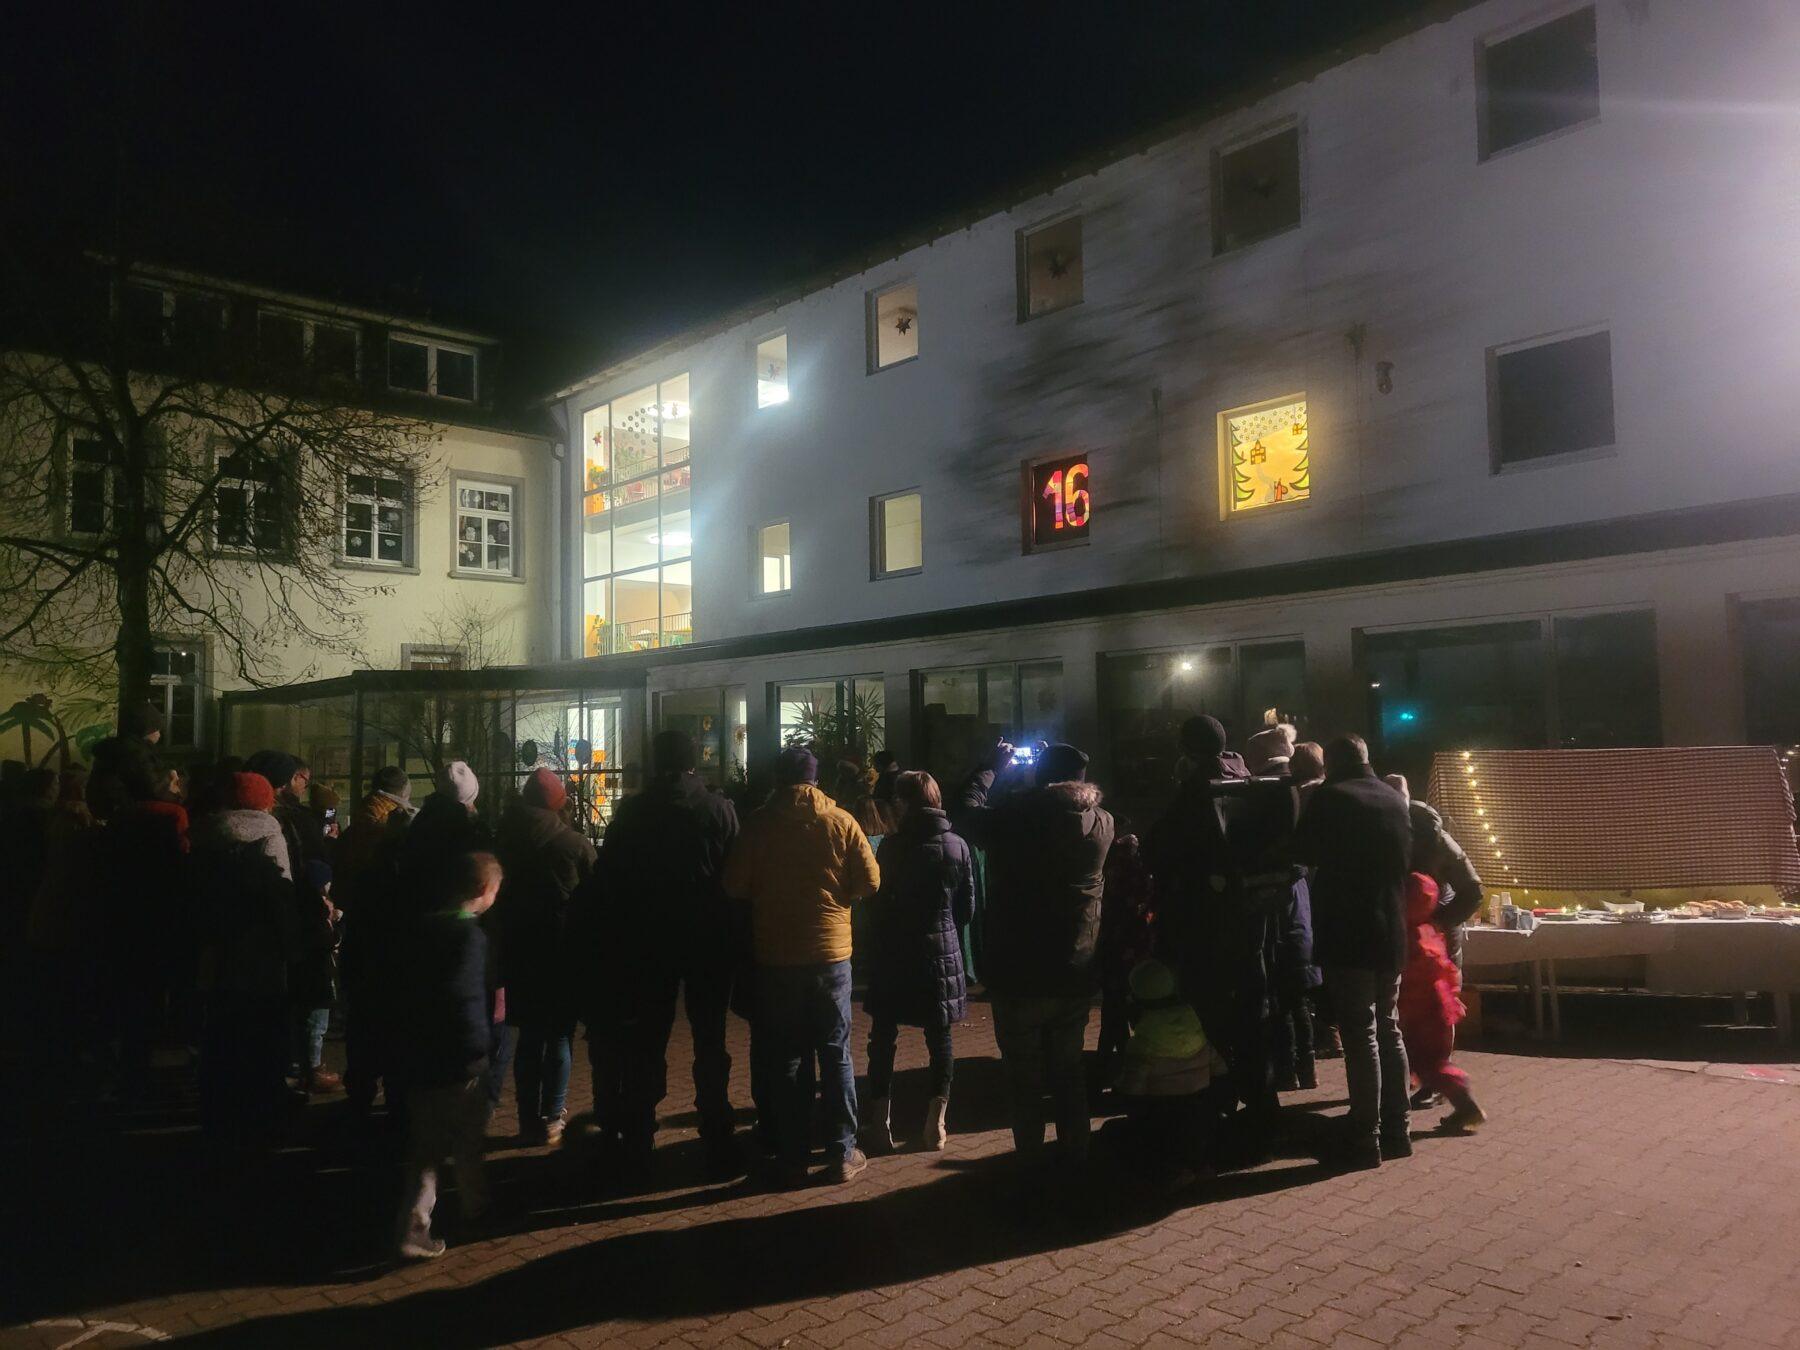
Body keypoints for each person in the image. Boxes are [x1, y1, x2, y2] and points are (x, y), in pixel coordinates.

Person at [580, 729, 740, 1175]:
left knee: (647, 1038)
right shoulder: (718, 810)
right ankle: (715, 1121)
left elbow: (610, 879)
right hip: (707, 943)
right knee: (711, 1036)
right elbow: (736, 875)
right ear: (695, 762)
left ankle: (641, 1126)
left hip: (648, 943)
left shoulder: (632, 813)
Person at [952, 741, 1113, 1169]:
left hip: (1018, 968)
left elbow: (964, 812)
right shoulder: (1102, 823)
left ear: (1042, 778)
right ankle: (1077, 1154)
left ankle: (1029, 1161)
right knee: (1068, 1070)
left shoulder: (1016, 819)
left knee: (1023, 1075)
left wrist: (992, 768)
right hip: (1075, 966)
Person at [722, 746, 879, 1186]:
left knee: (787, 1057)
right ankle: (842, 1151)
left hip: (776, 957)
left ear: (778, 778)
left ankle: (791, 1153)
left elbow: (734, 884)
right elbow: (870, 881)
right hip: (831, 956)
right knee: (836, 1053)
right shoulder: (841, 821)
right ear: (815, 779)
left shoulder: (758, 825)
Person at [1292, 734, 1413, 1170]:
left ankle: (1366, 1136)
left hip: (1349, 932)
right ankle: (1398, 1129)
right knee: (1389, 1028)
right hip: (1391, 931)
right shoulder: (1393, 797)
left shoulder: (1332, 798)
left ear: (1336, 764)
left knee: (1360, 1034)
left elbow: (1301, 851)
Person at [393, 850, 503, 1261]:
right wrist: (479, 1047)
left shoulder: (422, 928)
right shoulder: (471, 936)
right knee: (469, 1139)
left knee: (425, 1146)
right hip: (459, 1058)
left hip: (421, 1055)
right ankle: (478, 1206)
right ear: (483, 891)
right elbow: (466, 996)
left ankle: (413, 1224)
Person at [861, 770, 972, 1154]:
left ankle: (880, 1124)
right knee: (939, 1039)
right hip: (941, 951)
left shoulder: (892, 848)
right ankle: (935, 1127)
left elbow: (877, 903)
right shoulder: (958, 845)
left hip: (895, 952)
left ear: (906, 803)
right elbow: (966, 909)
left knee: (883, 1038)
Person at [190, 772, 300, 1141]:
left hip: (218, 946)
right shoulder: (269, 834)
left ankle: (218, 1104)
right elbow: (281, 892)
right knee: (264, 1027)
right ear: (266, 800)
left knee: (221, 1027)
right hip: (261, 946)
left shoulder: (207, 833)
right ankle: (262, 1105)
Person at [496, 767, 595, 1146]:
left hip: (519, 950)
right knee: (558, 1037)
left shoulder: (504, 840)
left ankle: (525, 1117)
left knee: (529, 1037)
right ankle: (553, 1115)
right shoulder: (572, 843)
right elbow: (596, 895)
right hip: (561, 952)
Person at [338, 765, 417, 1116]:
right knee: (395, 1020)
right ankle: (396, 1093)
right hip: (391, 943)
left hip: (360, 937)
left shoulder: (358, 827)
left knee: (362, 1020)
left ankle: (360, 1089)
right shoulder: (390, 839)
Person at [1109, 956, 1230, 1186]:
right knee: (1193, 1132)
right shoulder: (1193, 1023)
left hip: (1163, 1112)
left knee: (1144, 1132)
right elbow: (1219, 1066)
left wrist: (1120, 1095)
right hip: (1201, 1109)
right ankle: (1200, 1165)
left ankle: (1172, 1172)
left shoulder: (1143, 1040)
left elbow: (1132, 1088)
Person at [1398, 871, 1486, 1135]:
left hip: (1423, 1015)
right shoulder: (1430, 931)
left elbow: (1412, 980)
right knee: (1426, 1062)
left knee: (1431, 1065)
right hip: (1438, 1010)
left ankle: (1466, 1105)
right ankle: (1461, 1107)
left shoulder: (1411, 939)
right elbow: (1447, 970)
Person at [1096, 820, 1156, 1093]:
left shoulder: (1109, 870)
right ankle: (1136, 1061)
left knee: (1113, 1007)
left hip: (1113, 944)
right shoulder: (1143, 872)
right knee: (1138, 1004)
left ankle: (1109, 1064)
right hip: (1138, 945)